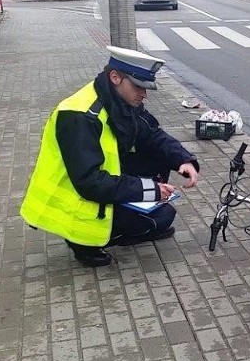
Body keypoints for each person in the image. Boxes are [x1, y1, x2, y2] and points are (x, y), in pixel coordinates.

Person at [20, 46, 200, 267]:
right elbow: (90, 182)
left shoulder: (119, 99)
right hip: (75, 202)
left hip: (97, 186)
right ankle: (83, 244)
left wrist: (183, 160)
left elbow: (152, 134)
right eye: (138, 86)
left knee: (162, 207)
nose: (144, 94)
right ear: (115, 77)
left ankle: (125, 226)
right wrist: (149, 190)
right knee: (161, 217)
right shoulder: (79, 117)